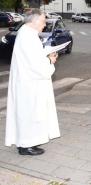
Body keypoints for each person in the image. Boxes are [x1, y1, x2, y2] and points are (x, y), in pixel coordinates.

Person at [5, 9, 60, 156]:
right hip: (29, 85)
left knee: (31, 113)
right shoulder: (27, 37)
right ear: (34, 21)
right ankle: (25, 145)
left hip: (28, 82)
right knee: (28, 113)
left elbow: (32, 58)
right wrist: (50, 60)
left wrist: (46, 55)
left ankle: (29, 141)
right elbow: (35, 65)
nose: (44, 25)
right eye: (43, 22)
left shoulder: (27, 34)